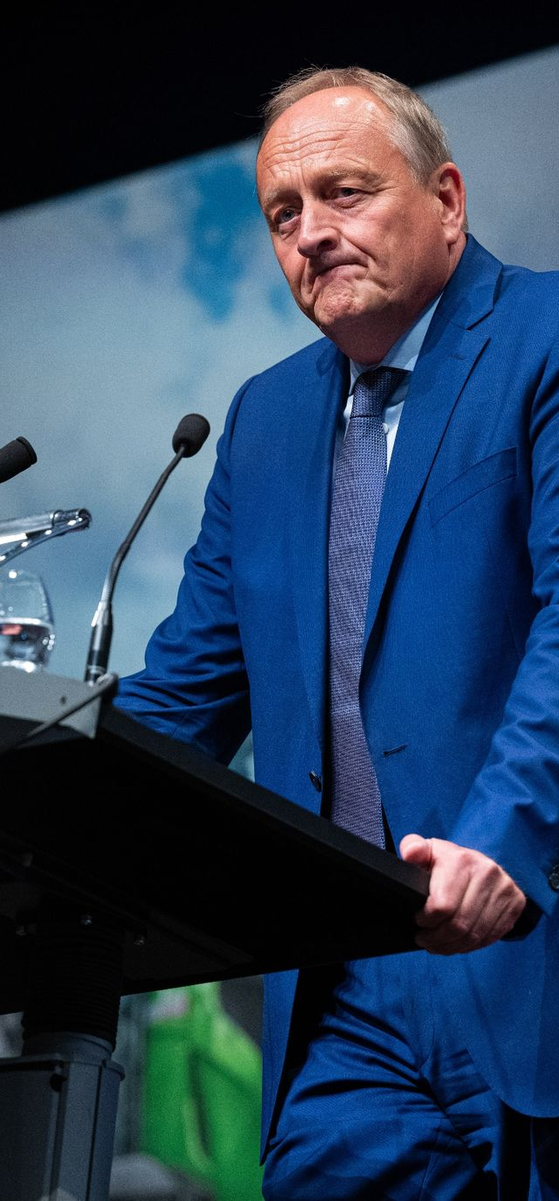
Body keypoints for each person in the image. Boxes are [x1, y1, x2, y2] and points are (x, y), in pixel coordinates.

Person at [115, 66, 559, 1198]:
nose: (312, 233)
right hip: (343, 1008)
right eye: (283, 212)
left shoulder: (546, 341)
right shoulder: (265, 422)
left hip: (529, 942)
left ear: (447, 199)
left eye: (346, 192)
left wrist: (510, 838)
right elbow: (181, 704)